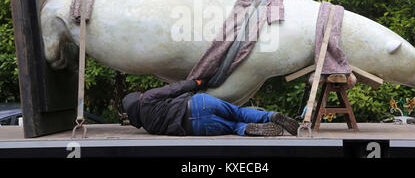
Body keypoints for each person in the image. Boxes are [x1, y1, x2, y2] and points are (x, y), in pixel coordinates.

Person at [122, 79, 299, 136]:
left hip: (195, 127)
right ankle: (271, 116)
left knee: (232, 127)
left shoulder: (148, 127)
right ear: (139, 98)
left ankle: (247, 129)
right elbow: (175, 89)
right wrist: (196, 82)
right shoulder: (148, 98)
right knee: (238, 112)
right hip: (199, 103)